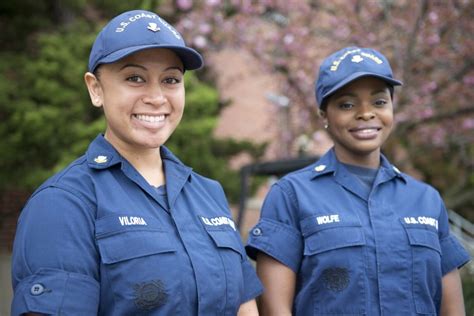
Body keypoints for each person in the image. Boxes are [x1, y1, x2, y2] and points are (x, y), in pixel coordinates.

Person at [11, 9, 262, 315]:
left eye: (170, 79)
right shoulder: (63, 203)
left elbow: (244, 307)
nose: (157, 97)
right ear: (95, 88)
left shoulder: (209, 195)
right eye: (134, 78)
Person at [246, 46, 470, 315]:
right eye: (347, 104)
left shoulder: (426, 200)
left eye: (379, 102)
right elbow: (274, 309)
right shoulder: (291, 195)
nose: (366, 113)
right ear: (324, 115)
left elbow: (452, 310)